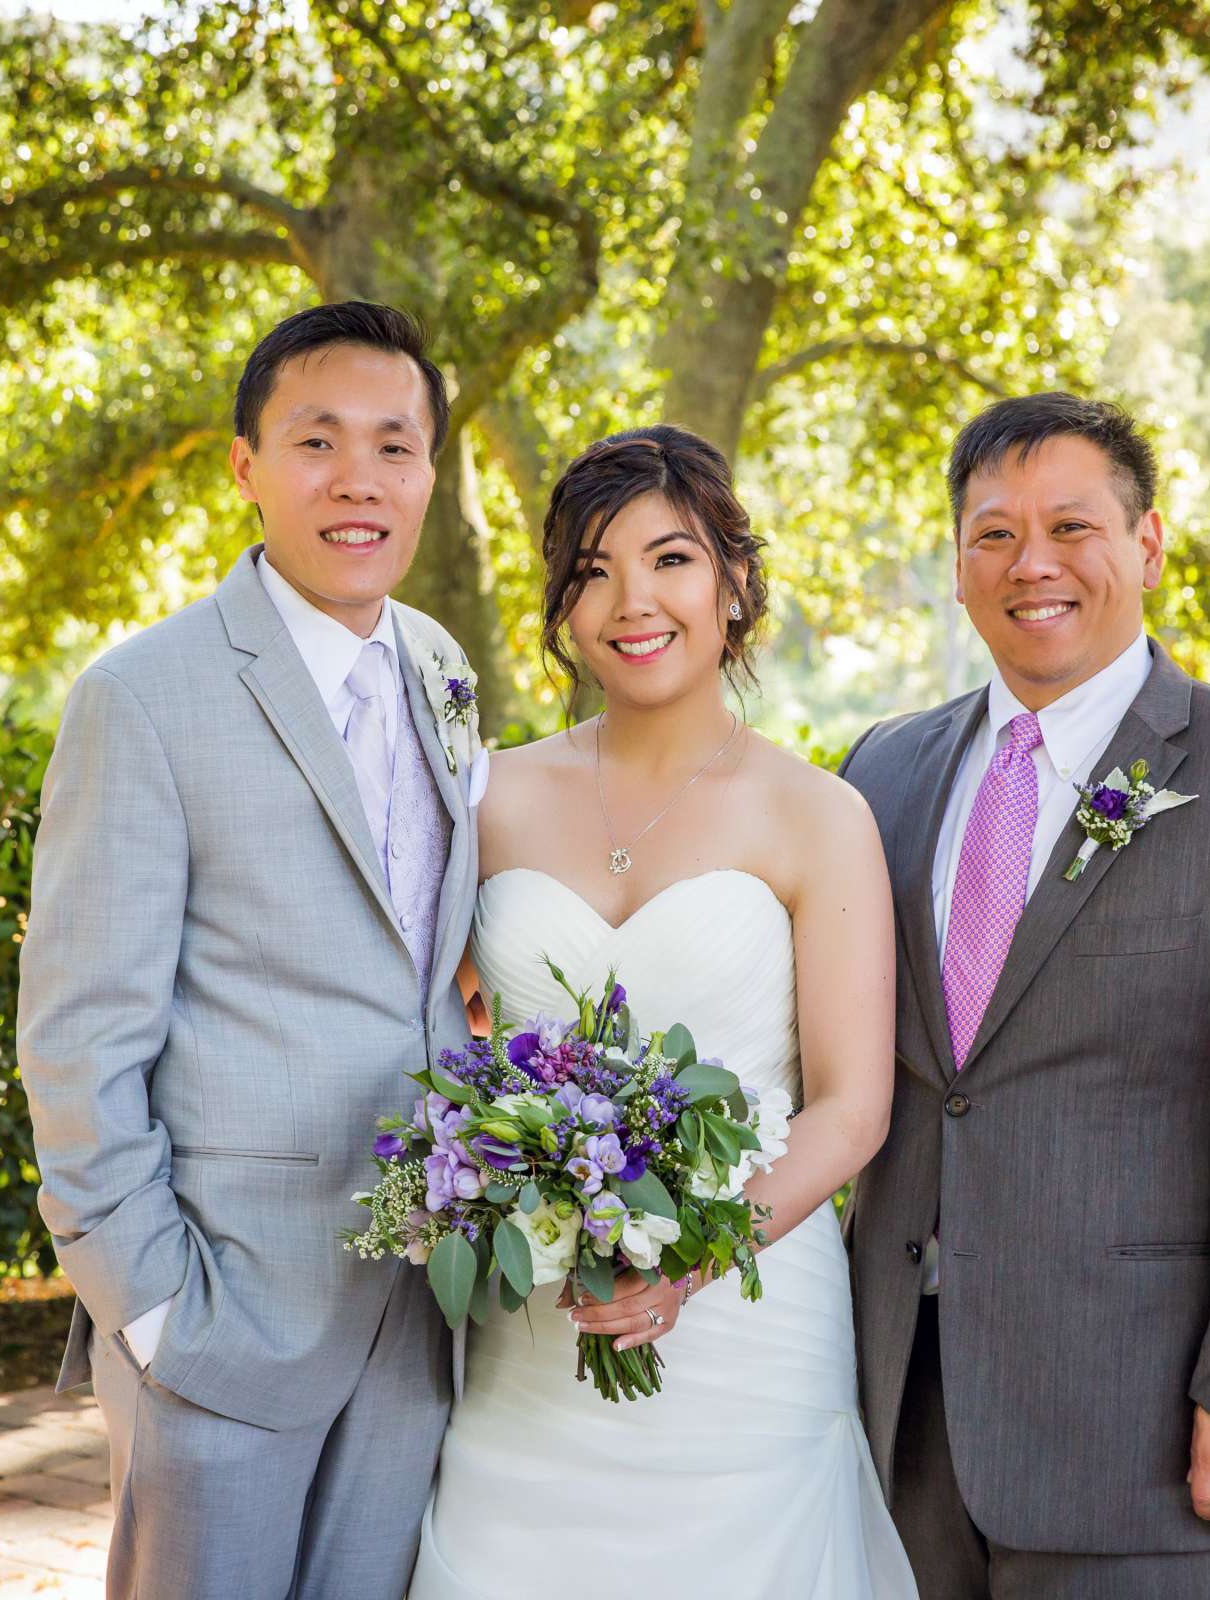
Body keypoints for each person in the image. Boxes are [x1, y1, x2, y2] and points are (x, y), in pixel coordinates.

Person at [840, 393, 1210, 1600]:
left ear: (1147, 545)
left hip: (1140, 1423)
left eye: (1071, 527)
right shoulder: (880, 771)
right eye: (993, 533)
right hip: (895, 1405)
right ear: (956, 567)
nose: (1031, 563)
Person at [18, 301, 485, 1599]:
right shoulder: (143, 697)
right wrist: (151, 1302)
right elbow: (78, 1035)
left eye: (395, 447)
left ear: (431, 474)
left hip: (416, 1308)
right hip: (223, 1305)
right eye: (317, 442)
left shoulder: (442, 670)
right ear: (246, 466)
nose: (359, 481)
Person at [410, 425, 914, 1599]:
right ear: (562, 610)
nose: (632, 600)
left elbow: (852, 1108)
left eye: (671, 558)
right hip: (535, 1325)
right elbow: (438, 1034)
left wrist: (689, 1262)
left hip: (749, 1320)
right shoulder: (490, 795)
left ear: (735, 582)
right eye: (591, 571)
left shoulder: (818, 814)